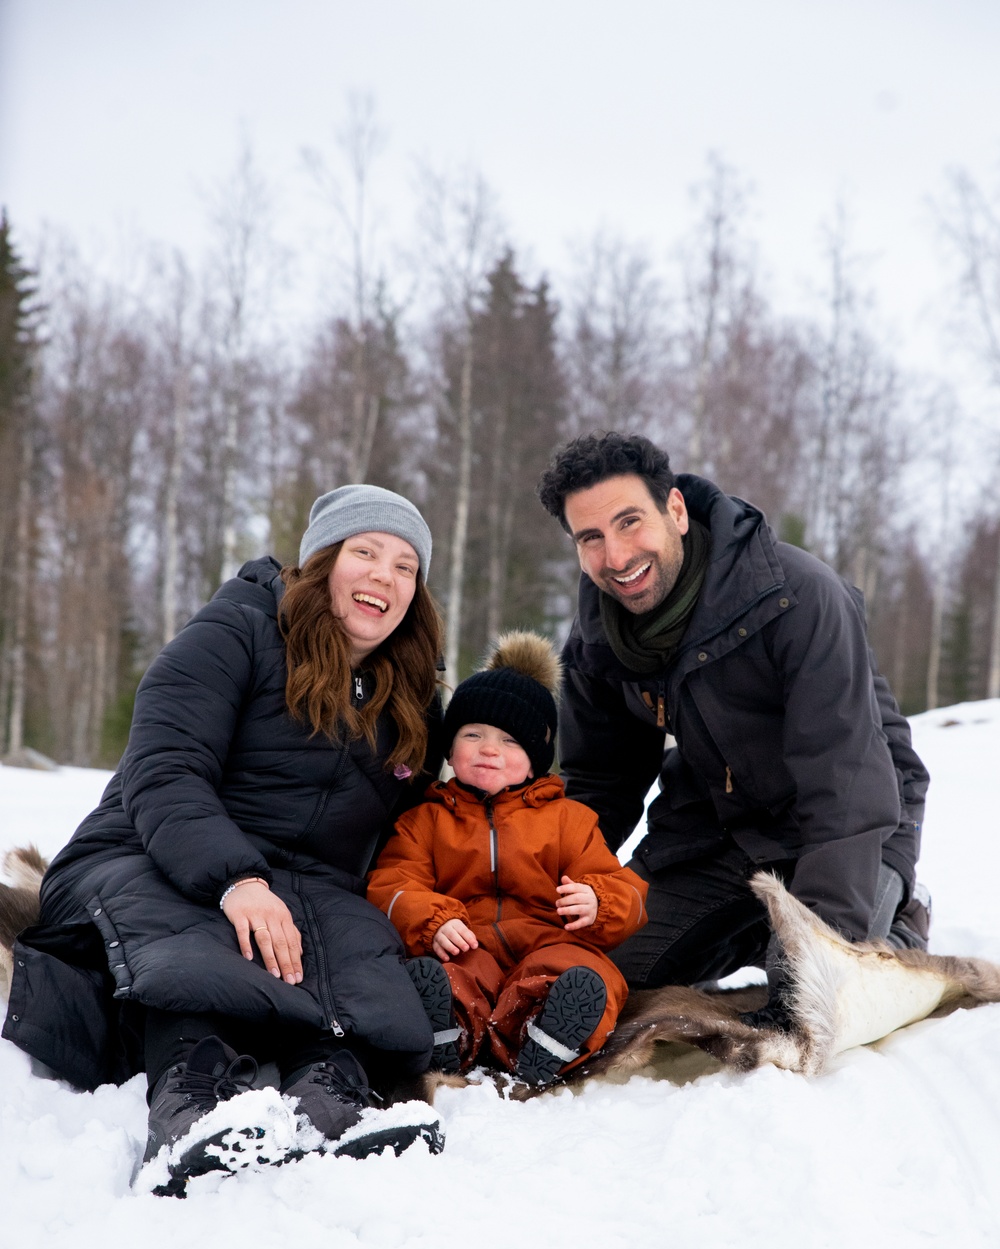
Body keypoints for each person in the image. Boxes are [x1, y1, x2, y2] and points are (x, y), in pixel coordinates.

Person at [3, 484, 449, 1191]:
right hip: (147, 851)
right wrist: (238, 880)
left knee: (357, 949)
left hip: (301, 885)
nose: (383, 577)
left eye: (404, 566)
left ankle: (331, 1099)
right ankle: (189, 1102)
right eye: (365, 552)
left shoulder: (411, 698)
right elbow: (164, 769)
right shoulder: (235, 633)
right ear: (323, 562)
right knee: (197, 929)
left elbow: (436, 818)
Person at [535, 432, 930, 1028]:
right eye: (591, 538)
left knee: (814, 997)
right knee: (604, 973)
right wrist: (542, 889)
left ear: (675, 509)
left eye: (629, 522)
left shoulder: (797, 598)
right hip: (718, 828)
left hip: (854, 822)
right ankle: (746, 931)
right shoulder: (598, 638)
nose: (615, 557)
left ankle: (898, 918)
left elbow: (844, 780)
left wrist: (817, 950)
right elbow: (600, 780)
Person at [367, 632, 648, 1085]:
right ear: (450, 749)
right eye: (472, 734)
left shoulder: (568, 820)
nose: (489, 749)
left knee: (580, 972)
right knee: (449, 976)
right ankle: (452, 1033)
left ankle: (546, 1036)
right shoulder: (426, 820)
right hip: (468, 942)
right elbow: (392, 885)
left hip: (546, 939)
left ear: (537, 759)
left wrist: (601, 902)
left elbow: (624, 889)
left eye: (510, 741)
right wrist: (432, 920)